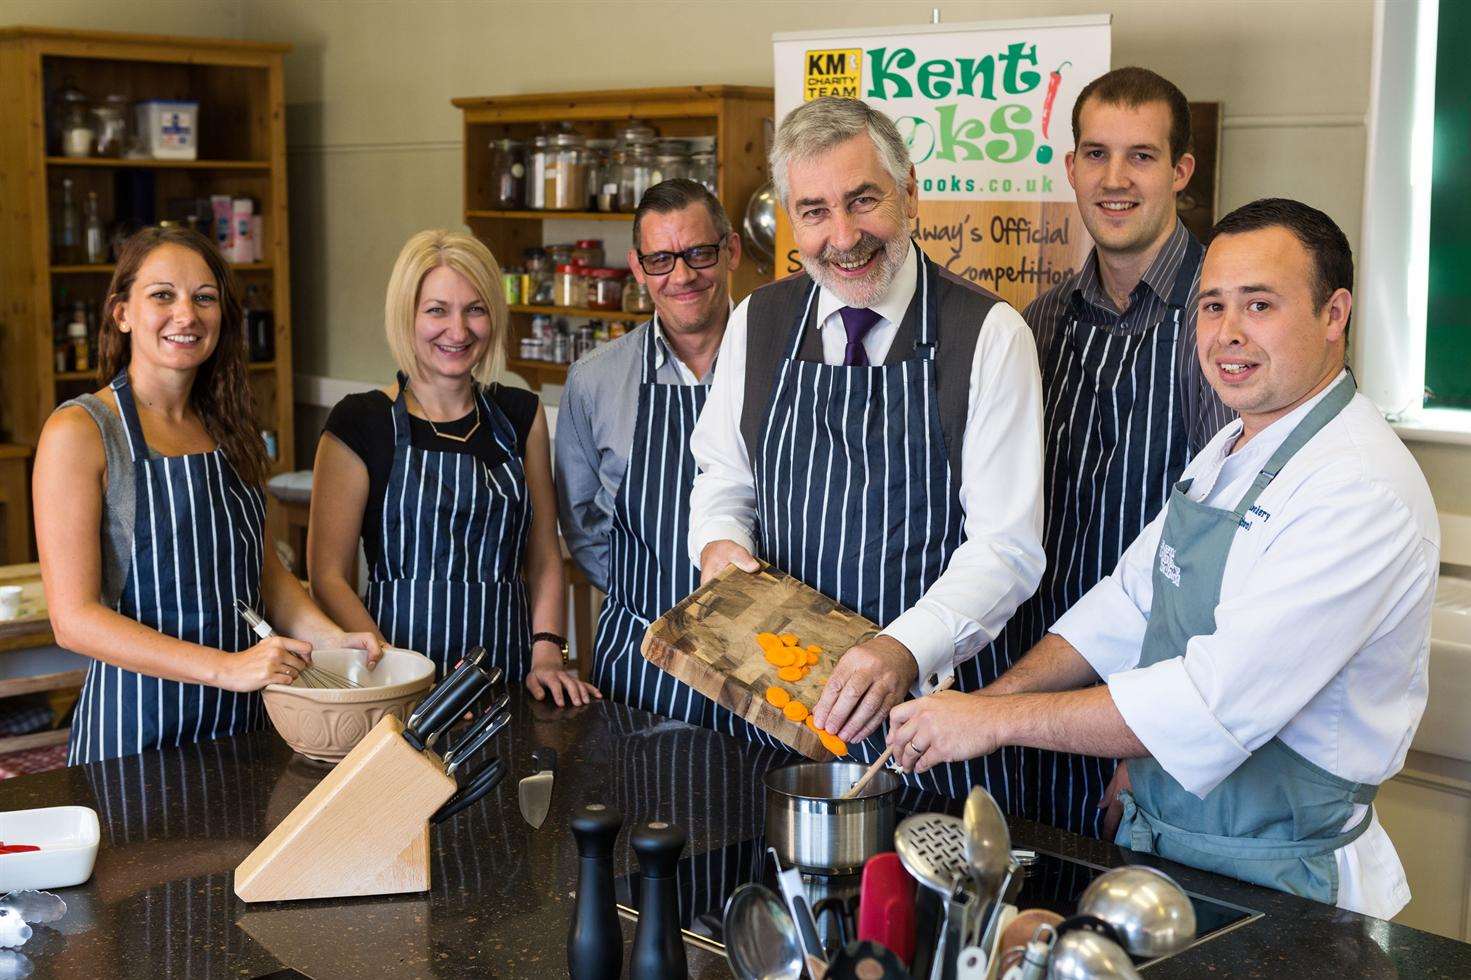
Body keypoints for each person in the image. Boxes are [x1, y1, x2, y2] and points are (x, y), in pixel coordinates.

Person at [886, 199, 1439, 918]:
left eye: (1259, 305)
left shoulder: (1359, 491)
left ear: (1334, 313)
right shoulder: (1233, 446)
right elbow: (1126, 606)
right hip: (1172, 847)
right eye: (1211, 307)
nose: (1227, 335)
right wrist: (990, 701)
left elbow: (1207, 703)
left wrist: (992, 724)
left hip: (1284, 881)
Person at [688, 97, 1045, 798]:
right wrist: (716, 544)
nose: (843, 235)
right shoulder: (758, 321)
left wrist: (900, 649)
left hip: (928, 733)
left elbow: (1006, 546)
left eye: (863, 200)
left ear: (909, 190)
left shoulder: (990, 335)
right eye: (815, 211)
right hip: (773, 724)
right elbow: (724, 476)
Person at [33, 226, 382, 765]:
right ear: (121, 312)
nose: (186, 315)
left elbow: (262, 574)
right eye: (162, 295)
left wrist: (334, 641)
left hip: (245, 727)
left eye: (204, 298)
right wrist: (227, 667)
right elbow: (73, 619)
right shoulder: (81, 432)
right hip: (136, 735)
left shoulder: (229, 428)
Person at [1011, 67, 1234, 836]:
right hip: (1033, 704)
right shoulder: (1036, 325)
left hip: (1152, 723)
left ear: (1180, 172)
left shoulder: (1223, 325)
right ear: (1069, 167)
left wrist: (1146, 747)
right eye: (1095, 154)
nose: (1113, 180)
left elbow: (1229, 558)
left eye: (1140, 156)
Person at [309, 230, 597, 706]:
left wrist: (547, 653)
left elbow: (544, 553)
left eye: (476, 309)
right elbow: (327, 577)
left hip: (507, 680)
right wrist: (395, 671)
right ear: (407, 315)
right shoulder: (360, 422)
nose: (458, 331)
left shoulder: (522, 415)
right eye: (437, 310)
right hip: (395, 679)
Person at [556, 179, 741, 723]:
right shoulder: (594, 380)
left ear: (729, 250)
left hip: (760, 663)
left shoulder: (779, 363)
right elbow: (583, 520)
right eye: (660, 260)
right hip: (638, 662)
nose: (681, 276)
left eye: (698, 254)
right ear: (637, 268)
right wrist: (645, 597)